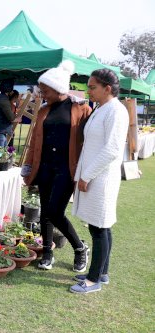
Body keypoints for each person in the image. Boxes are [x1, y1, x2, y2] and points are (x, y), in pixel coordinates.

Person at [21, 60, 92, 272]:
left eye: (46, 90)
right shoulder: (43, 111)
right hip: (45, 167)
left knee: (55, 211)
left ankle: (80, 248)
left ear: (59, 88)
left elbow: (90, 140)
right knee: (44, 212)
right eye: (41, 90)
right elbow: (35, 140)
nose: (42, 94)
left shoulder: (81, 109)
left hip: (67, 168)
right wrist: (28, 164)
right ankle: (47, 252)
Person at [69, 69, 129, 294]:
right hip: (95, 174)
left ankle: (94, 279)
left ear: (108, 89)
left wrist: (86, 176)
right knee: (101, 226)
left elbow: (112, 149)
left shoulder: (116, 110)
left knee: (99, 227)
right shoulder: (101, 109)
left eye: (92, 87)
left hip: (101, 177)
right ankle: (102, 272)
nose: (88, 91)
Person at [0, 79, 18, 146]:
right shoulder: (4, 100)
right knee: (0, 154)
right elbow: (11, 117)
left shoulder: (0, 98)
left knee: (3, 154)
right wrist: (17, 118)